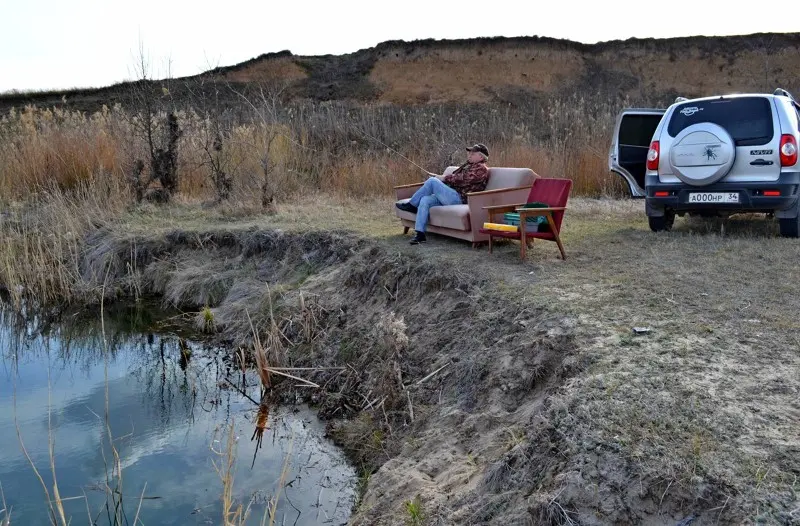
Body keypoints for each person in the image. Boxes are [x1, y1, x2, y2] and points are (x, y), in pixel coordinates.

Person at [396, 143, 490, 244]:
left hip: (460, 198)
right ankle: (420, 234)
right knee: (425, 200)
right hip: (452, 195)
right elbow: (454, 177)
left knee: (432, 181)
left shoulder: (481, 169)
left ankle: (412, 205)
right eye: (469, 153)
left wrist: (442, 178)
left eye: (472, 154)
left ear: (480, 156)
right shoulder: (469, 166)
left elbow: (463, 179)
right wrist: (439, 177)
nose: (469, 155)